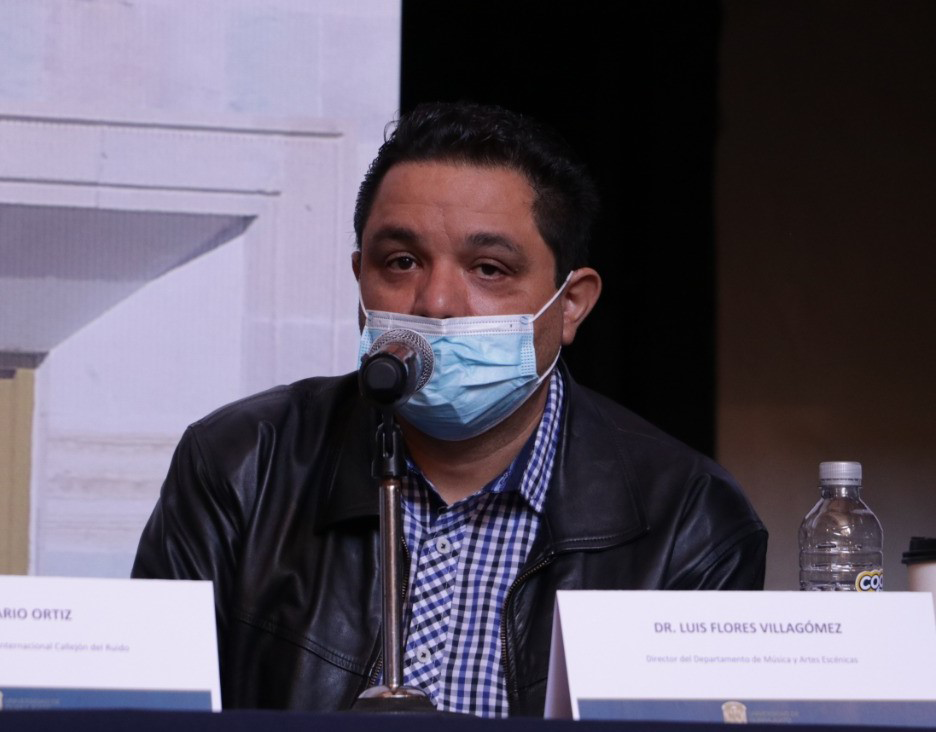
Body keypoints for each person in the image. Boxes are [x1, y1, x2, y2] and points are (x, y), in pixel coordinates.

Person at [132, 101, 767, 717]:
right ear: (360, 277)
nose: (435, 302)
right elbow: (150, 715)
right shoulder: (241, 464)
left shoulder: (689, 517)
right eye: (401, 262)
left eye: (488, 269)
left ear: (571, 304)